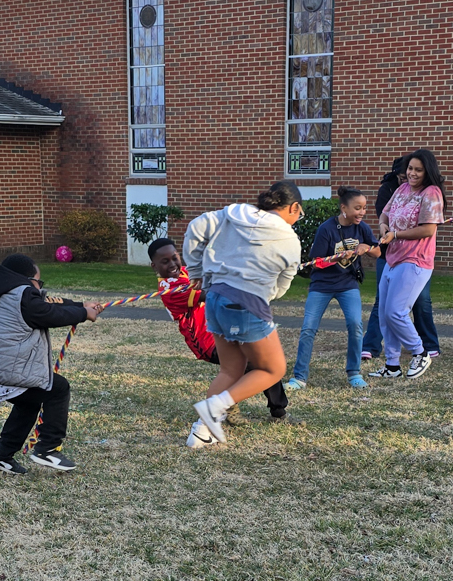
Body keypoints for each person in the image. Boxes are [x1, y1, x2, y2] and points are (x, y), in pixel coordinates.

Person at [181, 181, 303, 448]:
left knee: (231, 369)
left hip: (214, 297)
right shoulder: (290, 240)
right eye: (299, 213)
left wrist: (196, 271)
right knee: (273, 369)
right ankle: (214, 407)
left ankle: (201, 431)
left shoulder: (232, 214)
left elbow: (195, 228)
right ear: (293, 208)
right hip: (246, 304)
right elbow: (281, 287)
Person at [0, 253, 101, 475]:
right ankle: (48, 449)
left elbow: (47, 303)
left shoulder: (8, 293)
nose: (39, 288)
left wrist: (81, 306)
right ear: (27, 280)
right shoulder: (22, 295)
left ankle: (1, 455)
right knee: (58, 388)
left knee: (29, 402)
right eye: (39, 282)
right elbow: (48, 313)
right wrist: (83, 313)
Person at [147, 237, 289, 421]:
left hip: (223, 329)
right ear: (154, 266)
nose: (172, 264)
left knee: (263, 357)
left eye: (174, 258)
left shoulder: (186, 272)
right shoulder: (169, 289)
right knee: (250, 363)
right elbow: (209, 294)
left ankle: (275, 410)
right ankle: (232, 404)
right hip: (205, 341)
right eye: (165, 261)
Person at [284, 188, 380, 390]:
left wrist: (366, 248)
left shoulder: (362, 228)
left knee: (355, 325)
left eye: (364, 208)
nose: (362, 212)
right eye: (357, 208)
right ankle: (299, 377)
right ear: (344, 208)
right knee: (308, 328)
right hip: (322, 285)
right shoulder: (326, 229)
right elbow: (317, 262)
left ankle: (354, 373)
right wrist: (338, 258)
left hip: (348, 285)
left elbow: (378, 251)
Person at [371, 150, 445, 381]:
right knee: (385, 313)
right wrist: (383, 227)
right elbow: (384, 214)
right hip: (393, 258)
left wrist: (396, 234)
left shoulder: (431, 193)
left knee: (396, 312)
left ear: (427, 172)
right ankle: (392, 365)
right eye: (410, 168)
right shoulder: (402, 189)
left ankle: (420, 353)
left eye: (418, 170)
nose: (412, 173)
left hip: (415, 260)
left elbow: (428, 229)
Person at [361, 152, 412, 362]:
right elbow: (384, 215)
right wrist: (384, 225)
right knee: (382, 299)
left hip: (413, 255)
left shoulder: (426, 192)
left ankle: (426, 344)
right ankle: (371, 345)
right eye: (403, 177)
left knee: (419, 301)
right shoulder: (390, 190)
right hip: (389, 251)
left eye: (413, 173)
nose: (407, 180)